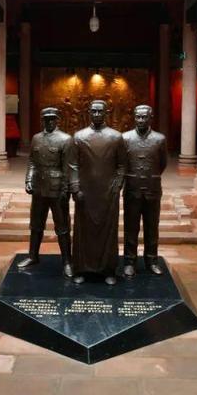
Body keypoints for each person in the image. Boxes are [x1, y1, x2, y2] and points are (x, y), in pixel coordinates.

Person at [69, 100, 127, 285]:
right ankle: (81, 269)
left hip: (108, 192)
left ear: (106, 113)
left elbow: (122, 165)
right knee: (83, 231)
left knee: (108, 231)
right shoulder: (79, 137)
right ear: (89, 112)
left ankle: (108, 270)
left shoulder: (116, 137)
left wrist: (117, 185)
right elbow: (73, 165)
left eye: (99, 111)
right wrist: (75, 187)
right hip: (85, 192)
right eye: (93, 111)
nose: (96, 114)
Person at [18, 108, 74, 278]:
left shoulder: (65, 139)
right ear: (42, 120)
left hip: (57, 190)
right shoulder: (36, 138)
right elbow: (32, 162)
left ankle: (67, 261)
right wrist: (28, 180)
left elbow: (68, 168)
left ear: (57, 120)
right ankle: (33, 256)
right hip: (39, 188)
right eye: (46, 119)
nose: (49, 122)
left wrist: (65, 190)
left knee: (62, 228)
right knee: (36, 225)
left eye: (52, 119)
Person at [122, 105, 167, 276]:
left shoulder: (159, 139)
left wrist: (149, 176)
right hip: (132, 190)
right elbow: (122, 163)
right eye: (138, 117)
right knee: (130, 228)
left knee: (152, 227)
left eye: (144, 117)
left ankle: (152, 261)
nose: (141, 120)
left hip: (152, 189)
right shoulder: (125, 138)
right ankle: (129, 262)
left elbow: (162, 164)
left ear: (150, 118)